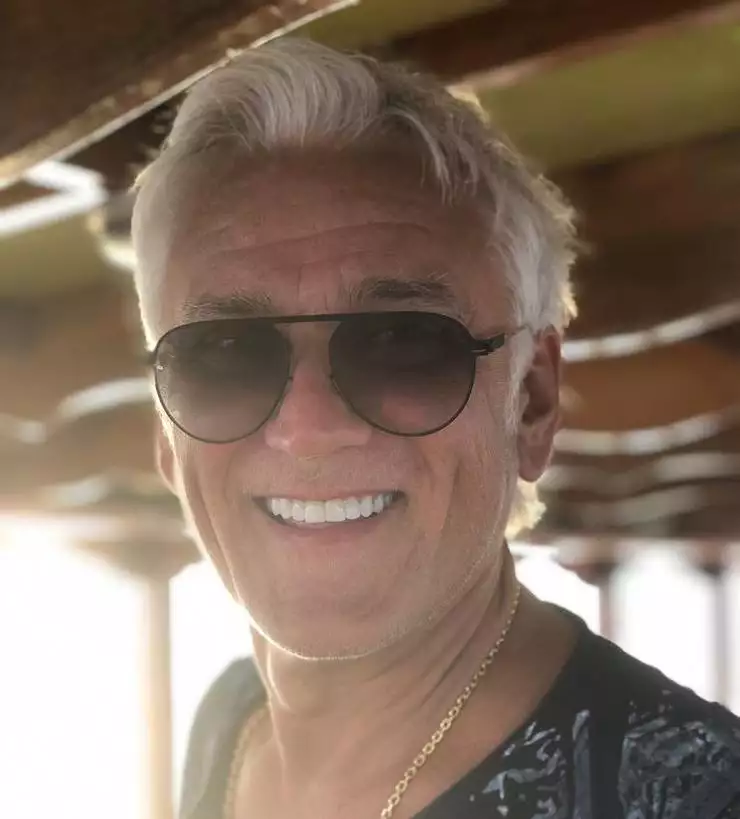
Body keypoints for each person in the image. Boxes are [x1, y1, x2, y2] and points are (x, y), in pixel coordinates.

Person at [130, 38, 740, 819]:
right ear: (166, 429)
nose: (308, 428)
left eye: (402, 344)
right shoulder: (233, 717)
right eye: (223, 354)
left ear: (531, 403)